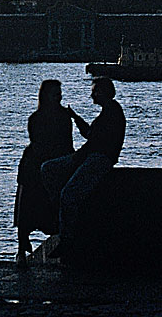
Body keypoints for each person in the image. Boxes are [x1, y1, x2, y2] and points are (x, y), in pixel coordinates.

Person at [41, 77, 125, 262]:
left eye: (95, 91)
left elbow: (93, 138)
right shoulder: (110, 112)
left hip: (97, 159)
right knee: (48, 169)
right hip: (90, 156)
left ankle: (66, 237)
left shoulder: (111, 113)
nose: (92, 95)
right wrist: (76, 117)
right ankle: (60, 211)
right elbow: (91, 134)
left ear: (102, 92)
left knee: (67, 193)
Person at [14, 79, 73, 267]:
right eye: (56, 92)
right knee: (43, 208)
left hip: (35, 166)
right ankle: (24, 249)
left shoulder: (36, 118)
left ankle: (22, 251)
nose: (59, 96)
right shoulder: (62, 117)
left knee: (28, 209)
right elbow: (66, 144)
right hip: (45, 167)